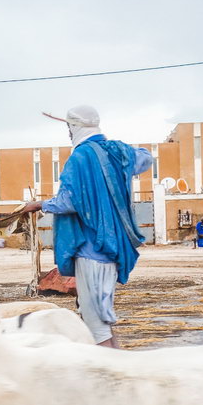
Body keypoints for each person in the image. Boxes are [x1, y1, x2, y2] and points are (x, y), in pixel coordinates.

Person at [23, 105, 153, 349]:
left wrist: (38, 204)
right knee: (102, 321)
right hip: (112, 251)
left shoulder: (79, 158)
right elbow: (145, 158)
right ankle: (121, 371)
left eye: (69, 128)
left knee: (95, 326)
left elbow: (70, 201)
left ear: (74, 127)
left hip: (90, 251)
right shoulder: (115, 150)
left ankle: (112, 380)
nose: (69, 134)